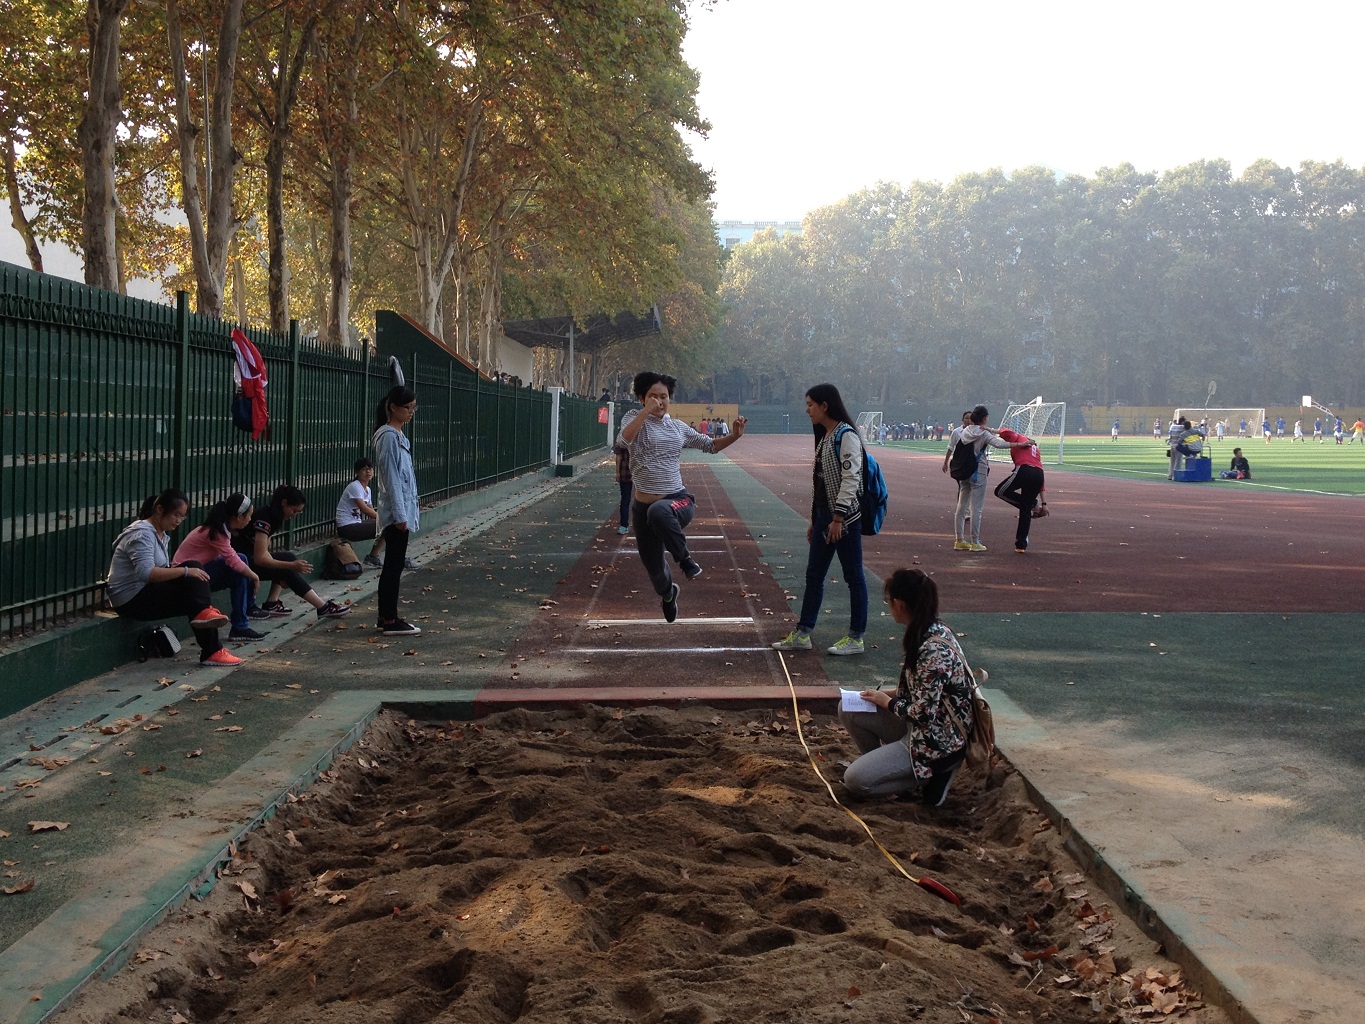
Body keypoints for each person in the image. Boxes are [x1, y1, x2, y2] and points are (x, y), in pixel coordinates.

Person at [617, 370, 746, 623]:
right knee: (655, 572)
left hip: (678, 501)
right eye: (653, 397)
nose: (659, 402)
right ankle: (668, 593)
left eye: (664, 397)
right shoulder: (633, 418)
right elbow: (623, 440)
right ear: (642, 398)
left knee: (660, 511)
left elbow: (709, 445)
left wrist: (734, 436)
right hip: (642, 510)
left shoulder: (677, 427)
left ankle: (685, 561)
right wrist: (645, 412)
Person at [839, 569, 973, 805]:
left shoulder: (933, 649)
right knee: (849, 707)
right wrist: (884, 695)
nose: (888, 606)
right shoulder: (927, 629)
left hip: (937, 741)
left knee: (855, 781)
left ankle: (933, 774)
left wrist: (887, 702)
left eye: (887, 601)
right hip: (922, 727)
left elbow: (924, 714)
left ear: (899, 604)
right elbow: (922, 691)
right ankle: (889, 770)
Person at [771, 383, 869, 657]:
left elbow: (851, 479)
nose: (807, 409)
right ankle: (803, 633)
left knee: (854, 576)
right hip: (827, 517)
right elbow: (822, 483)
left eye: (811, 404)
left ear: (825, 405)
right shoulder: (827, 436)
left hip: (845, 518)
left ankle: (856, 637)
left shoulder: (846, 436)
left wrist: (838, 518)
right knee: (814, 575)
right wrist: (817, 519)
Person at [105, 489, 239, 666]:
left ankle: (212, 647)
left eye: (182, 517)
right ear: (160, 509)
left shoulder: (160, 534)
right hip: (131, 599)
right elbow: (146, 573)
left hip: (144, 592)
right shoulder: (142, 534)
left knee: (195, 590)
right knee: (193, 575)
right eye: (176, 515)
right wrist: (184, 572)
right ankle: (212, 649)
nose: (179, 520)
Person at [237, 485, 351, 622]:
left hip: (250, 558)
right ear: (284, 503)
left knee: (288, 558)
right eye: (294, 510)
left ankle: (272, 603)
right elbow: (260, 559)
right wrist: (291, 566)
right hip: (241, 562)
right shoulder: (265, 518)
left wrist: (289, 564)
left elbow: (265, 552)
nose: (294, 515)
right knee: (288, 567)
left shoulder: (274, 517)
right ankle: (323, 607)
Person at [173, 492, 267, 642]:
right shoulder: (217, 531)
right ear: (238, 516)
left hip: (198, 575)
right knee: (240, 562)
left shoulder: (220, 528)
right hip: (186, 579)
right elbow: (233, 560)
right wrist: (254, 576)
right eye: (249, 515)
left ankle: (243, 622)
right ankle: (242, 622)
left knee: (240, 569)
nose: (250, 519)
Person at [373, 385, 423, 636]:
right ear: (393, 407)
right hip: (395, 512)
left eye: (414, 407)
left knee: (394, 565)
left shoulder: (398, 436)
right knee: (393, 566)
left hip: (401, 509)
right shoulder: (389, 437)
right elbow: (392, 478)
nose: (411, 412)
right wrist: (401, 515)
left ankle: (386, 616)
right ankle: (389, 619)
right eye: (407, 407)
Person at [942, 405, 1013, 551]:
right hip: (978, 471)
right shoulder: (983, 433)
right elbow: (999, 444)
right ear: (985, 418)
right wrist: (1020, 444)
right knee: (976, 508)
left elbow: (952, 447)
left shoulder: (963, 431)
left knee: (961, 506)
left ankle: (959, 539)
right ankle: (975, 542)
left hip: (963, 471)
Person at [336, 459, 418, 571]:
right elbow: (365, 509)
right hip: (347, 527)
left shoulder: (367, 489)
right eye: (364, 469)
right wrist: (383, 520)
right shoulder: (354, 486)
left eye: (369, 469)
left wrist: (383, 519)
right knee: (389, 527)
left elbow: (371, 509)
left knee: (388, 525)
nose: (368, 472)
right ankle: (396, 558)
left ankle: (374, 557)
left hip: (356, 524)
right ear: (357, 472)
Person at [992, 428, 1045, 552]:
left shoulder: (1019, 438)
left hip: (1024, 470)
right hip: (1039, 474)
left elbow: (1006, 432)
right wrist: (1044, 504)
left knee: (1000, 491)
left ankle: (1032, 504)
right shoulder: (1035, 449)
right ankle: (1021, 544)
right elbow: (1041, 479)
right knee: (1025, 508)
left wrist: (990, 430)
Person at [613, 432, 633, 535]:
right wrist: (617, 472)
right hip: (637, 472)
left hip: (626, 471)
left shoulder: (622, 434)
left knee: (625, 499)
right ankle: (624, 524)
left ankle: (624, 525)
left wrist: (617, 472)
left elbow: (618, 454)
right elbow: (619, 454)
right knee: (641, 499)